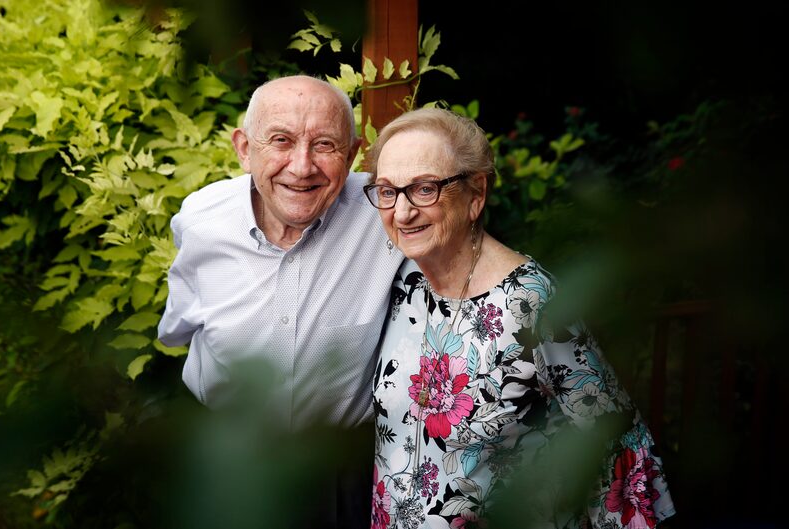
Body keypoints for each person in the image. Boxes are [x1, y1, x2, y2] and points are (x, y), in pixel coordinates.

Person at [363, 108, 675, 528]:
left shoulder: (531, 302)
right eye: (387, 191)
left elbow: (614, 439)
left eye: (424, 189)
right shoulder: (403, 281)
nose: (401, 212)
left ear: (476, 195)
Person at [157, 75, 404, 527]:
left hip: (338, 471)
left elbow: (457, 220)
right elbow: (178, 331)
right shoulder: (201, 219)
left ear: (351, 156)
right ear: (244, 149)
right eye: (281, 141)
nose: (302, 166)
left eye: (325, 145)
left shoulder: (387, 213)